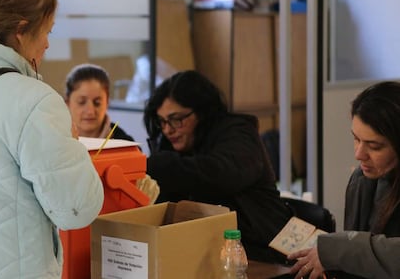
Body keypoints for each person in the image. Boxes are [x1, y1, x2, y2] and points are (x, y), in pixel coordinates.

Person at [0, 0, 104, 278]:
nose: (48, 45)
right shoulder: (34, 101)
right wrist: (73, 145)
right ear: (22, 30)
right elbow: (76, 209)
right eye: (48, 32)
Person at [143, 70, 292, 263]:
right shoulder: (171, 145)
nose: (168, 129)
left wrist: (159, 164)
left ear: (202, 113)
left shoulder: (238, 133)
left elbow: (222, 174)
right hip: (208, 251)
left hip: (263, 249)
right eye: (162, 122)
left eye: (176, 119)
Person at [289, 81, 400, 279]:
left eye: (374, 146)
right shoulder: (361, 180)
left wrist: (339, 251)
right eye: (356, 139)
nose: (359, 154)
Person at [65, 63, 134, 140]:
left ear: (107, 102)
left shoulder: (125, 143)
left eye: (97, 103)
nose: (90, 111)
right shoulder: (54, 140)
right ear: (67, 103)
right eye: (82, 102)